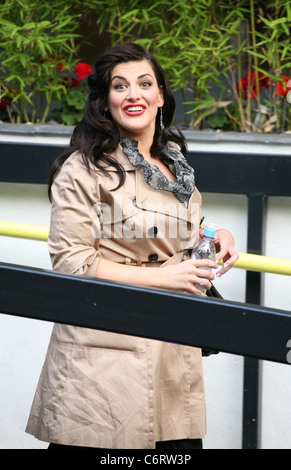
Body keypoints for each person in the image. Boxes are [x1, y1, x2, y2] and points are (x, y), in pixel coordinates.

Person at [26, 42, 239, 450]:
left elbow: (168, 227)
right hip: (107, 349)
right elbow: (72, 263)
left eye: (145, 83)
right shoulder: (83, 168)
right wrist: (162, 276)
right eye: (120, 86)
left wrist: (211, 235)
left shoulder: (171, 156)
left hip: (173, 340)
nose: (133, 94)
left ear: (160, 95)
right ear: (106, 103)